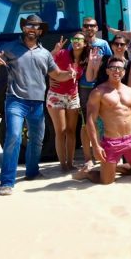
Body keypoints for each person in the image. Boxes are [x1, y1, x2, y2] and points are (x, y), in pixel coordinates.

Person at [0, 14, 77, 196]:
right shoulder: (10, 47)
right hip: (15, 100)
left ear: (40, 31)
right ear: (24, 28)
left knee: (37, 139)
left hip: (37, 103)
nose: (32, 29)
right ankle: (7, 182)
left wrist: (69, 74)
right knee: (13, 136)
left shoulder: (45, 54)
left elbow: (57, 74)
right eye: (29, 25)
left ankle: (32, 172)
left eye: (36, 26)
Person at [72, 57, 131, 184]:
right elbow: (90, 121)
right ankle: (88, 173)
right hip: (112, 141)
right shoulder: (98, 92)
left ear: (124, 72)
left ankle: (113, 168)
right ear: (107, 71)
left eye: (119, 68)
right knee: (106, 181)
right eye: (113, 68)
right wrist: (96, 146)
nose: (116, 71)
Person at [46, 32, 86, 171]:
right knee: (61, 131)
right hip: (56, 95)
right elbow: (44, 62)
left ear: (84, 44)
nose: (76, 41)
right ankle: (63, 164)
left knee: (71, 131)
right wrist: (54, 51)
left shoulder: (84, 60)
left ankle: (70, 163)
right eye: (74, 39)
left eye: (80, 39)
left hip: (73, 96)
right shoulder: (62, 53)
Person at [76, 17, 112, 167]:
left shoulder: (103, 44)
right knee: (86, 123)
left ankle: (102, 154)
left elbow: (110, 62)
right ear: (82, 28)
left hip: (99, 87)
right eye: (86, 26)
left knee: (102, 122)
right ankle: (87, 158)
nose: (89, 28)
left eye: (92, 26)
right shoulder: (78, 43)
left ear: (96, 28)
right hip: (84, 87)